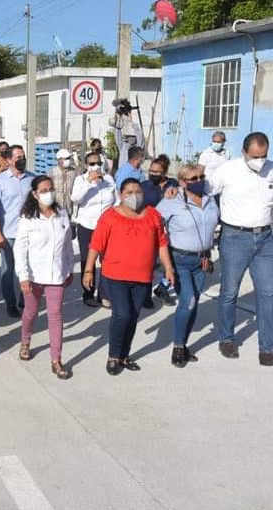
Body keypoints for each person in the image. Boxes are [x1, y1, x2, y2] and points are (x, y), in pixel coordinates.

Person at [209, 132, 273, 368]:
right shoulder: (228, 170)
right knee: (230, 292)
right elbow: (205, 192)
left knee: (267, 294)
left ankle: (267, 350)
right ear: (244, 153)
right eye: (254, 156)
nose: (259, 160)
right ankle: (227, 339)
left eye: (264, 155)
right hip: (235, 237)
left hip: (264, 240)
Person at [82, 179, 175, 376]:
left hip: (142, 277)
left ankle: (124, 354)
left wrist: (168, 267)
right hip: (115, 275)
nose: (134, 195)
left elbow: (162, 244)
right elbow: (96, 244)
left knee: (133, 316)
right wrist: (89, 269)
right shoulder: (110, 216)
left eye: (138, 191)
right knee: (121, 314)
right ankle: (113, 355)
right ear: (121, 194)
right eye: (129, 192)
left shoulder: (153, 215)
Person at [157, 164, 219, 367]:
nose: (199, 180)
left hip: (202, 259)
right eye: (194, 178)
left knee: (194, 304)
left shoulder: (210, 200)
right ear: (183, 182)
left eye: (201, 176)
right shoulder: (172, 201)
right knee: (188, 300)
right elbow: (153, 223)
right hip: (180, 259)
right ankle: (177, 347)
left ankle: (183, 345)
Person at [14, 176, 76, 379]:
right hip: (33, 275)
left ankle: (56, 359)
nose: (48, 193)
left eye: (50, 189)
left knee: (56, 315)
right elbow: (20, 248)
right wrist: (23, 276)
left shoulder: (61, 214)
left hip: (56, 275)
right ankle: (25, 340)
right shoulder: (28, 218)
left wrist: (69, 268)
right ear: (34, 194)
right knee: (31, 313)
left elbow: (67, 245)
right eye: (43, 190)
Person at [0, 144, 35, 317]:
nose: (22, 160)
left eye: (23, 156)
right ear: (8, 160)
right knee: (8, 270)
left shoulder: (32, 179)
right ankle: (10, 303)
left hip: (29, 233)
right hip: (8, 233)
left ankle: (25, 299)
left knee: (28, 268)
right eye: (18, 157)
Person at [71, 151, 119, 308]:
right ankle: (88, 293)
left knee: (107, 261)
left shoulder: (109, 179)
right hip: (87, 226)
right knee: (87, 261)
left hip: (106, 227)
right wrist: (89, 182)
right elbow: (75, 198)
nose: (96, 166)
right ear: (86, 165)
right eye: (92, 164)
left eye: (98, 163)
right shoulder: (80, 180)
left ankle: (104, 294)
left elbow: (117, 200)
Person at [141, 154, 180, 307]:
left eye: (157, 172)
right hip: (149, 231)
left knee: (170, 263)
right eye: (151, 171)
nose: (153, 174)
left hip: (170, 232)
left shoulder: (173, 184)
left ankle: (163, 288)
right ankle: (145, 294)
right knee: (148, 264)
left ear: (164, 172)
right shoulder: (144, 186)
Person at [48, 148, 78, 216]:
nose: (69, 160)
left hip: (69, 208)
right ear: (59, 160)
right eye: (66, 158)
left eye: (69, 158)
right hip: (56, 207)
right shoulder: (52, 172)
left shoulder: (74, 172)